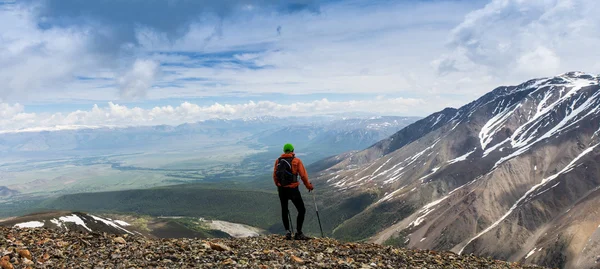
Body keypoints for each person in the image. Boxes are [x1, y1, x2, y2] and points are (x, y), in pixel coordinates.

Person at [273, 143, 314, 240]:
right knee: (301, 210)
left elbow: (275, 176)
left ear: (284, 151)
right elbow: (303, 176)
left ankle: (287, 232)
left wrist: (279, 185)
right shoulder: (296, 161)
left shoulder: (278, 161)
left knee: (284, 209)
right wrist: (308, 186)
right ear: (292, 150)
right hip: (293, 190)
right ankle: (298, 233)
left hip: (282, 189)